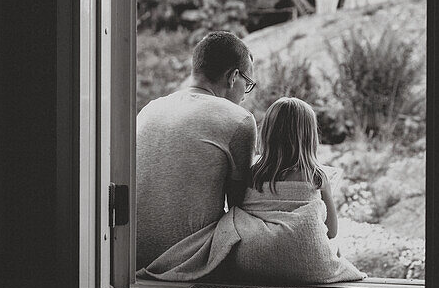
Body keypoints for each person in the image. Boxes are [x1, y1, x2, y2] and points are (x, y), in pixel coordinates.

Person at [136, 30, 259, 268]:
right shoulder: (239, 119)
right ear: (233, 76)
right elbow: (240, 206)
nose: (245, 95)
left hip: (129, 254)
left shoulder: (150, 109)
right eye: (248, 83)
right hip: (188, 259)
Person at [247, 96, 339, 240]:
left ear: (267, 133)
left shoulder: (253, 173)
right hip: (303, 254)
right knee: (336, 251)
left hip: (258, 248)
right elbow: (331, 232)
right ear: (310, 137)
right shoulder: (316, 177)